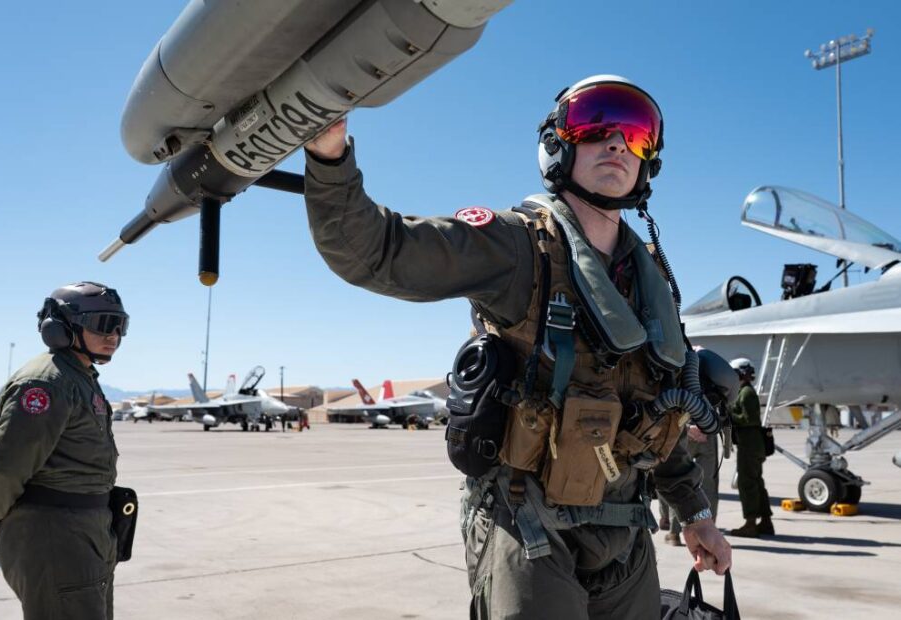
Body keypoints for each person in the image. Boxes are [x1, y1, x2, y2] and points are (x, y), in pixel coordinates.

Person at [303, 75, 731, 618]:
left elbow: (660, 410)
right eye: (595, 123)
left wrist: (696, 515)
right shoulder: (516, 245)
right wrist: (329, 151)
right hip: (528, 528)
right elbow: (376, 251)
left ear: (649, 161)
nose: (617, 143)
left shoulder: (650, 283)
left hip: (626, 538)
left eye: (636, 134)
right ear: (558, 144)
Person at [0, 282, 128, 619]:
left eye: (120, 324)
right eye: (103, 323)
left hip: (85, 530)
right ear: (60, 327)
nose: (114, 334)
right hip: (57, 536)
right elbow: (5, 468)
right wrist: (0, 516)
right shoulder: (46, 382)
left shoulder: (80, 377)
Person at [728, 357, 774, 537]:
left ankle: (750, 523)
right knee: (756, 483)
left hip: (750, 444)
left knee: (747, 483)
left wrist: (729, 413)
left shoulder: (746, 393)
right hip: (752, 444)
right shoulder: (745, 391)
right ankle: (765, 522)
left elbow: (749, 419)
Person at [659, 423, 719, 546]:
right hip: (709, 430)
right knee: (708, 484)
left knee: (677, 479)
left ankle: (674, 533)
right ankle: (707, 532)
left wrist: (686, 428)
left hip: (683, 428)